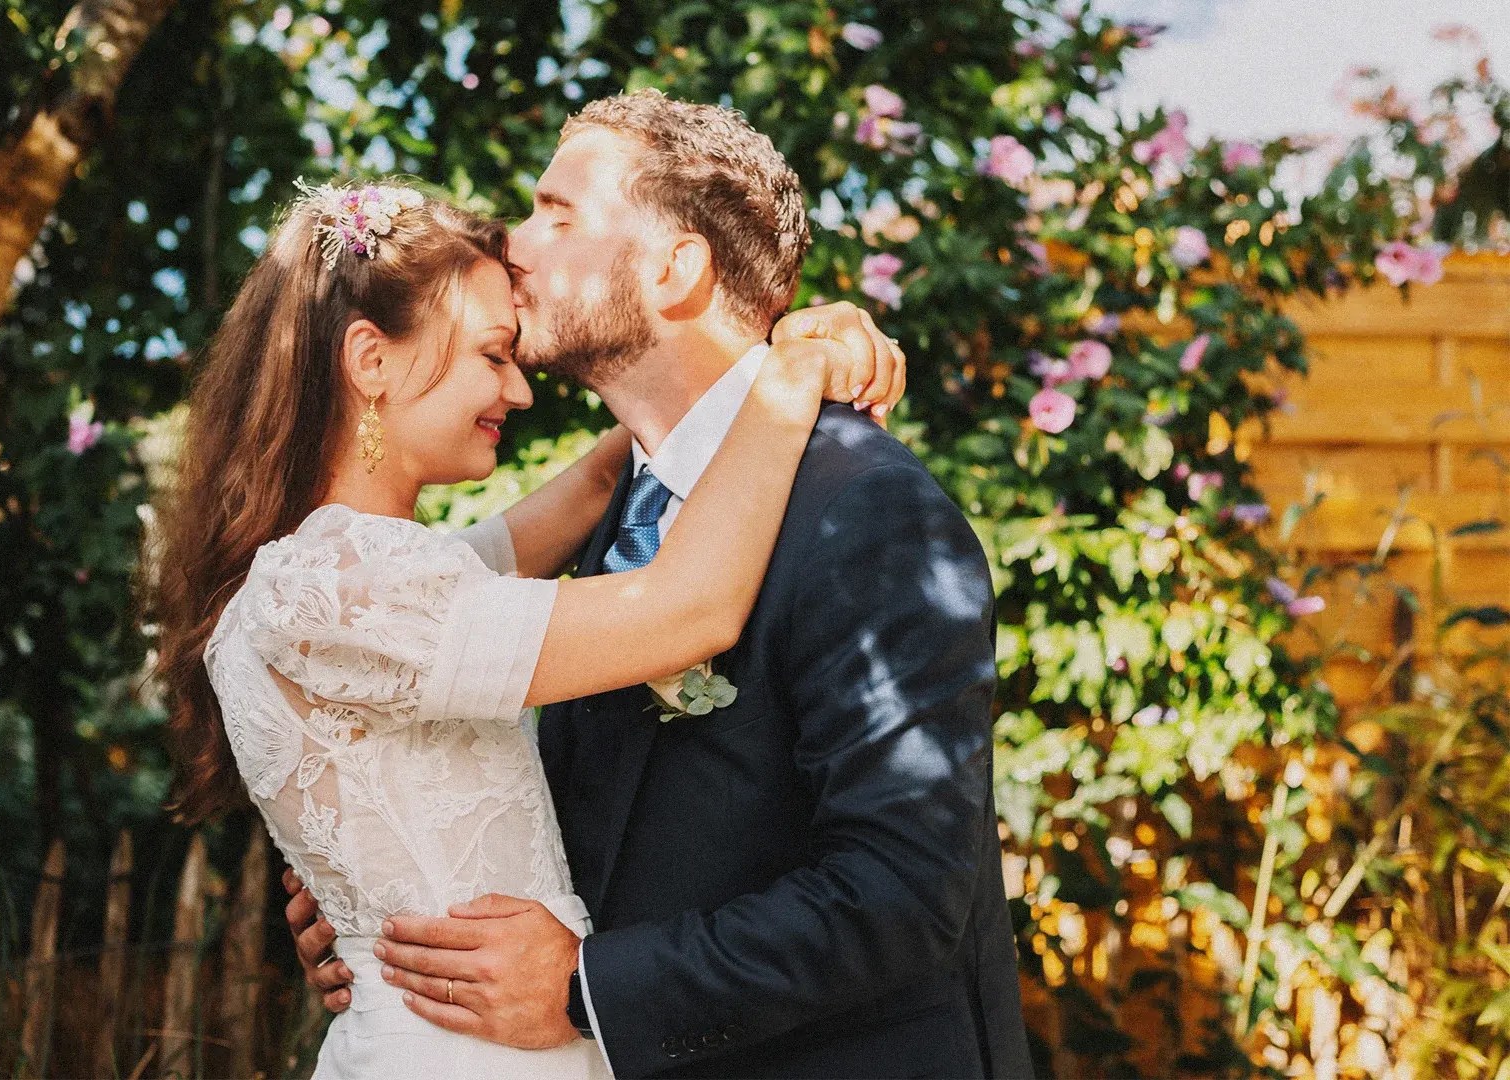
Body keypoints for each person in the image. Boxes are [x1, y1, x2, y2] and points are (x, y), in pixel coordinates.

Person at [285, 91, 1035, 1079]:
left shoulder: (865, 508)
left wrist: (585, 988)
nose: (517, 243)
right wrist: (390, 892)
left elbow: (902, 891)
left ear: (677, 268)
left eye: (560, 215)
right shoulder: (611, 513)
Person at [154, 175, 904, 1080]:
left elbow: (595, 488)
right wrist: (789, 379)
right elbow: (689, 608)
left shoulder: (365, 575)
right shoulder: (341, 589)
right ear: (371, 359)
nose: (519, 388)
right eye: (492, 354)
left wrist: (734, 363)